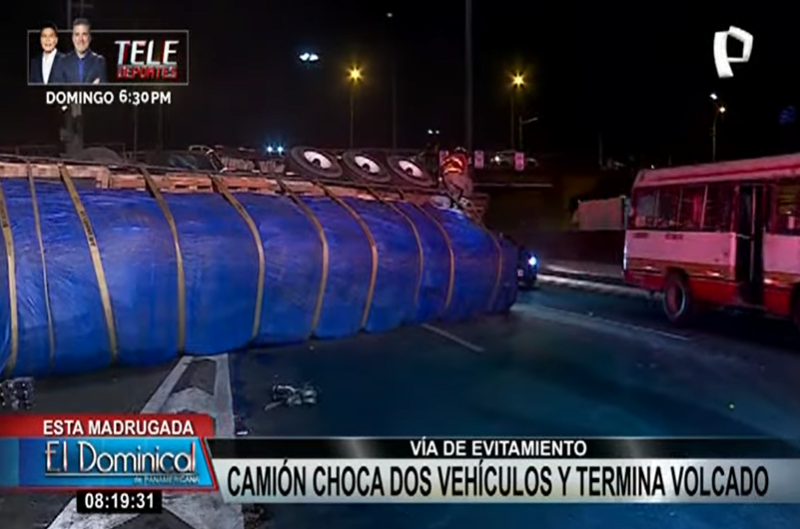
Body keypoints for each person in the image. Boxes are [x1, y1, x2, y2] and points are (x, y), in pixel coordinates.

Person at [52, 18, 107, 84]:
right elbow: (57, 89)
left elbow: (103, 89)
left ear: (90, 38)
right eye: (77, 34)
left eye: (84, 34)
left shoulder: (99, 62)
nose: (80, 39)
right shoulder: (62, 62)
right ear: (73, 38)